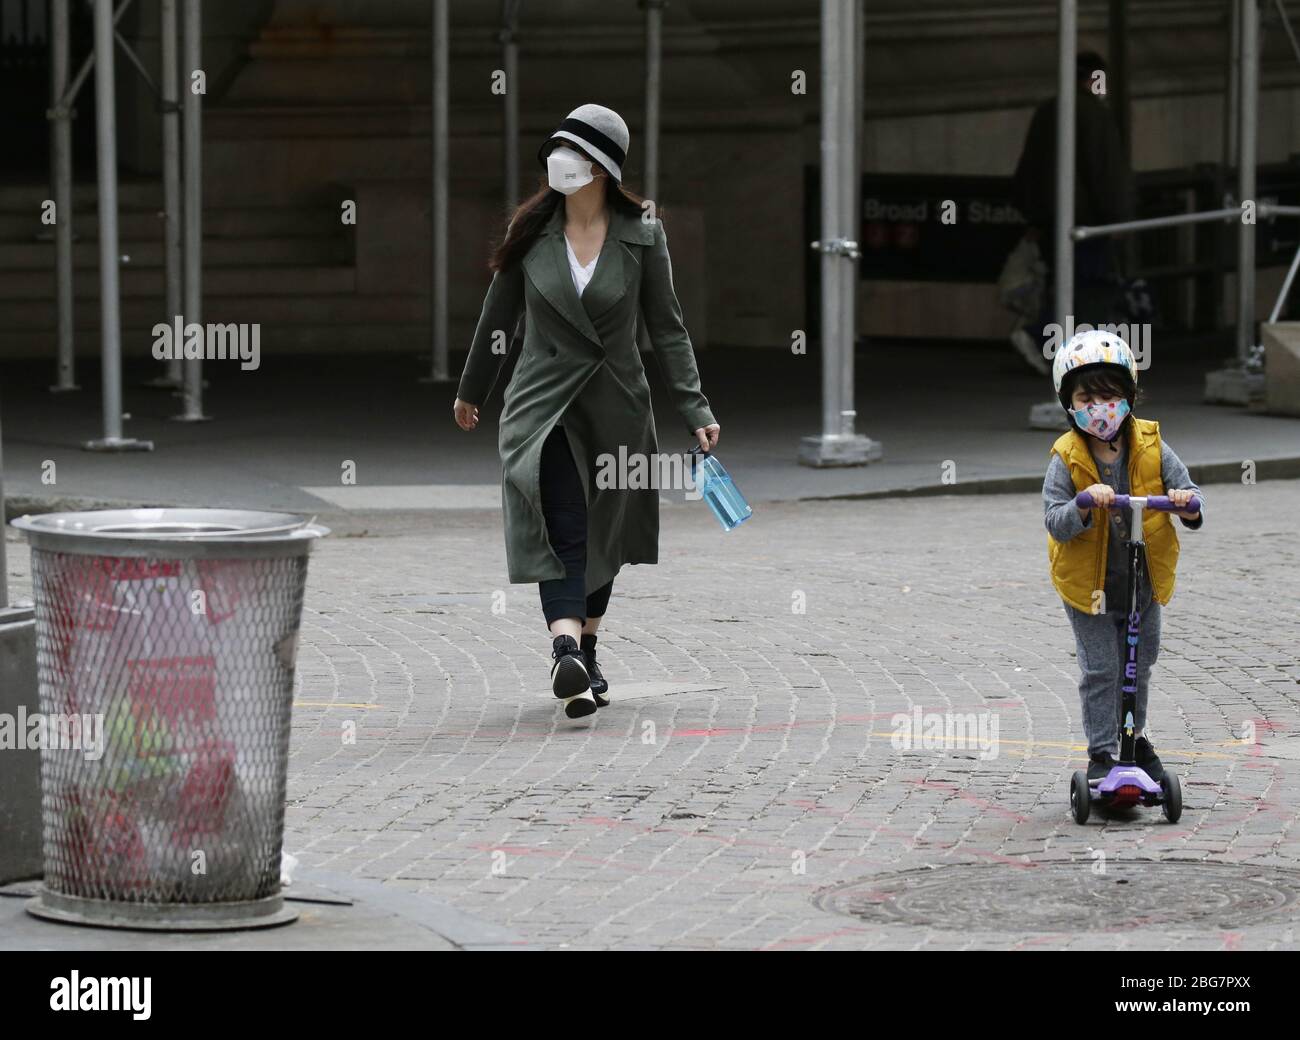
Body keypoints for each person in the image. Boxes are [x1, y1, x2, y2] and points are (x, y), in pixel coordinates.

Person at [453, 103, 720, 720]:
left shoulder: (642, 234)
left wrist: (694, 405)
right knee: (564, 522)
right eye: (554, 149)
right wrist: (472, 391)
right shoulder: (531, 233)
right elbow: (497, 319)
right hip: (542, 404)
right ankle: (565, 645)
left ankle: (588, 653)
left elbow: (668, 328)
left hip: (616, 405)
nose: (557, 162)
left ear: (599, 167)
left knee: (607, 532)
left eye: (571, 152)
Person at [1042, 330, 1204, 784]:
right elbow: (1054, 519)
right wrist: (1082, 503)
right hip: (1089, 586)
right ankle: (1101, 751)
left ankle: (1134, 737)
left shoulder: (1151, 443)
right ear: (1069, 404)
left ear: (1129, 397)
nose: (1100, 408)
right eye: (1087, 398)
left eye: (1109, 396)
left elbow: (1192, 497)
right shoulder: (1067, 456)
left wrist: (1183, 502)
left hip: (1143, 579)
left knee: (1139, 660)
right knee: (1102, 668)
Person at [1010, 51, 1136, 375]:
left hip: (1051, 217)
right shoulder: (1095, 115)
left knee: (1066, 283)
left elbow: (1029, 168)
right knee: (1089, 287)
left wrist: (1034, 216)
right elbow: (1106, 173)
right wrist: (1117, 218)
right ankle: (1043, 339)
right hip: (1086, 220)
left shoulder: (1048, 111)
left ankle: (1054, 345)